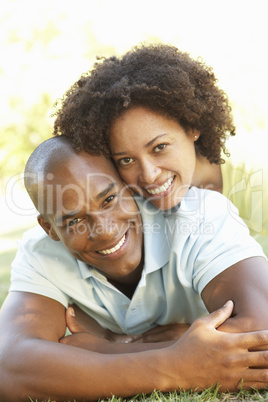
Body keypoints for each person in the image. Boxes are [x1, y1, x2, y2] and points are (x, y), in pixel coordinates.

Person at [1, 136, 268, 401]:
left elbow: (262, 330)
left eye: (109, 200)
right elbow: (8, 366)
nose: (105, 231)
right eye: (75, 221)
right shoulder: (41, 253)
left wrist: (108, 350)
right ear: (49, 228)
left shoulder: (198, 215)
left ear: (128, 186)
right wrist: (177, 366)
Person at [52, 43, 268, 255]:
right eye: (126, 160)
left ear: (192, 126)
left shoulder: (256, 177)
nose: (149, 174)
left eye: (160, 147)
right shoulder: (122, 199)